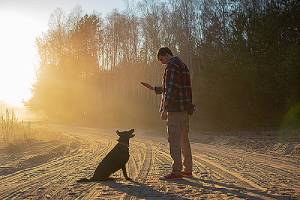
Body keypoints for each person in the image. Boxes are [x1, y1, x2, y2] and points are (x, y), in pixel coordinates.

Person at [141, 47, 194, 180]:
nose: (161, 62)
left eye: (161, 59)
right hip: (184, 109)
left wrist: (165, 109)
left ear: (166, 55)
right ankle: (188, 170)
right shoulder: (182, 65)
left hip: (174, 110)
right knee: (184, 140)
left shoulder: (171, 66)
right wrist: (154, 89)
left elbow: (171, 90)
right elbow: (175, 86)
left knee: (174, 140)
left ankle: (176, 171)